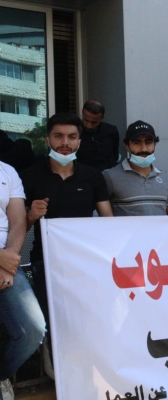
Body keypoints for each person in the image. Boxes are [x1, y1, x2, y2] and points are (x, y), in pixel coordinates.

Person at [19, 112, 113, 379]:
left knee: (86, 318)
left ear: (79, 142)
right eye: (58, 136)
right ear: (47, 140)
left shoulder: (93, 176)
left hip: (85, 263)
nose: (65, 142)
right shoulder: (29, 176)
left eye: (72, 137)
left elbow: (109, 222)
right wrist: (30, 215)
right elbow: (17, 228)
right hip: (45, 262)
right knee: (51, 320)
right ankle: (59, 372)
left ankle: (88, 373)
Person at [0, 161, 45, 400]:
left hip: (7, 262)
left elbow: (17, 221)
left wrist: (9, 263)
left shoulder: (7, 171)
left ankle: (1, 376)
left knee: (33, 329)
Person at [103, 120, 168, 216]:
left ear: (155, 144)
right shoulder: (110, 177)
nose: (143, 148)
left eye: (148, 142)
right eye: (136, 142)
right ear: (126, 145)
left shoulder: (165, 178)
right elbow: (101, 216)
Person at [77, 100, 120, 171]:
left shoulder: (111, 130)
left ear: (102, 117)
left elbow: (115, 155)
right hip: (83, 173)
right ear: (82, 112)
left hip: (107, 173)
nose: (89, 126)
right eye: (86, 120)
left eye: (94, 122)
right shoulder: (75, 131)